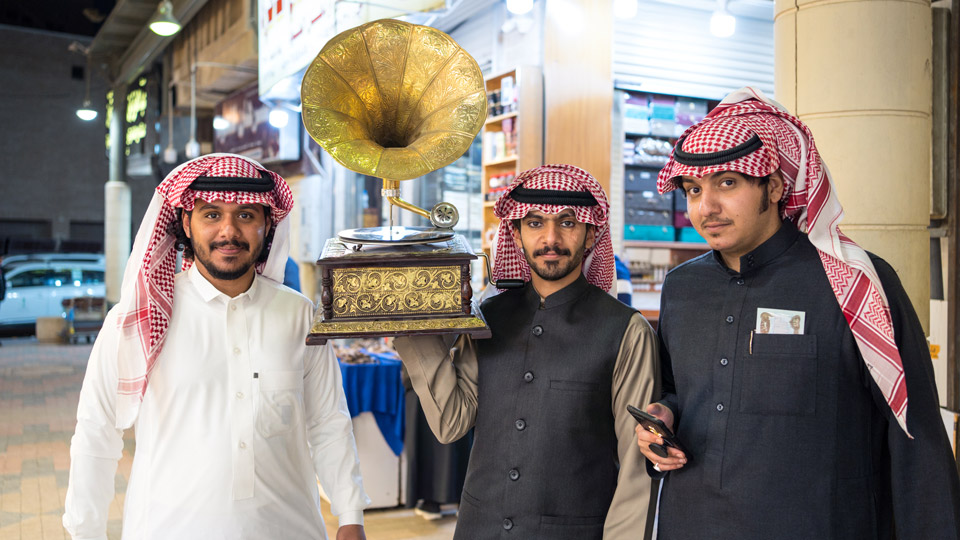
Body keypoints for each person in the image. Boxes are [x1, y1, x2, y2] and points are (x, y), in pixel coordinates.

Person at [636, 88, 960, 539]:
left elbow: (914, 436)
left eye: (727, 183)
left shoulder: (855, 283)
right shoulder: (682, 286)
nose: (705, 207)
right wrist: (663, 418)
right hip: (693, 523)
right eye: (693, 190)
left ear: (773, 185)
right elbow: (677, 391)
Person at [63, 154, 369, 540]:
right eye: (211, 215)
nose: (229, 230)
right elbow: (97, 432)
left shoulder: (299, 315)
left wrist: (350, 515)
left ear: (267, 224)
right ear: (186, 224)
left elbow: (327, 422)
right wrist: (85, 532)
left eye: (245, 215)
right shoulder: (140, 318)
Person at [393, 164, 660, 540]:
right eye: (534, 223)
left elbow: (636, 473)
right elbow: (452, 422)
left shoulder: (626, 331)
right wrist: (413, 327)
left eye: (567, 223)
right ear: (515, 235)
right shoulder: (488, 318)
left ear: (590, 235)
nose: (550, 238)